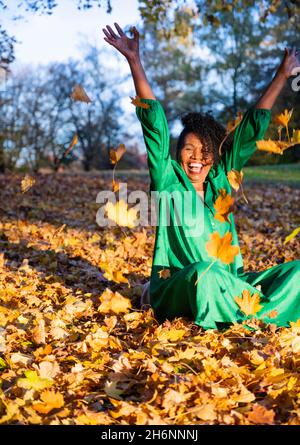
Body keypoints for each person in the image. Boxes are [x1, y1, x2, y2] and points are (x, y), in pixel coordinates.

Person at [102, 22, 300, 330]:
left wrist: (282, 76)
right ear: (178, 152)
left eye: (206, 151)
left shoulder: (221, 180)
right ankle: (259, 316)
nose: (197, 158)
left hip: (231, 285)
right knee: (206, 273)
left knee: (296, 272)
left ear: (216, 157)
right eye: (189, 149)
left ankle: (252, 313)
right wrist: (134, 62)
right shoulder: (168, 182)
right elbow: (154, 125)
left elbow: (249, 132)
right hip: (185, 284)